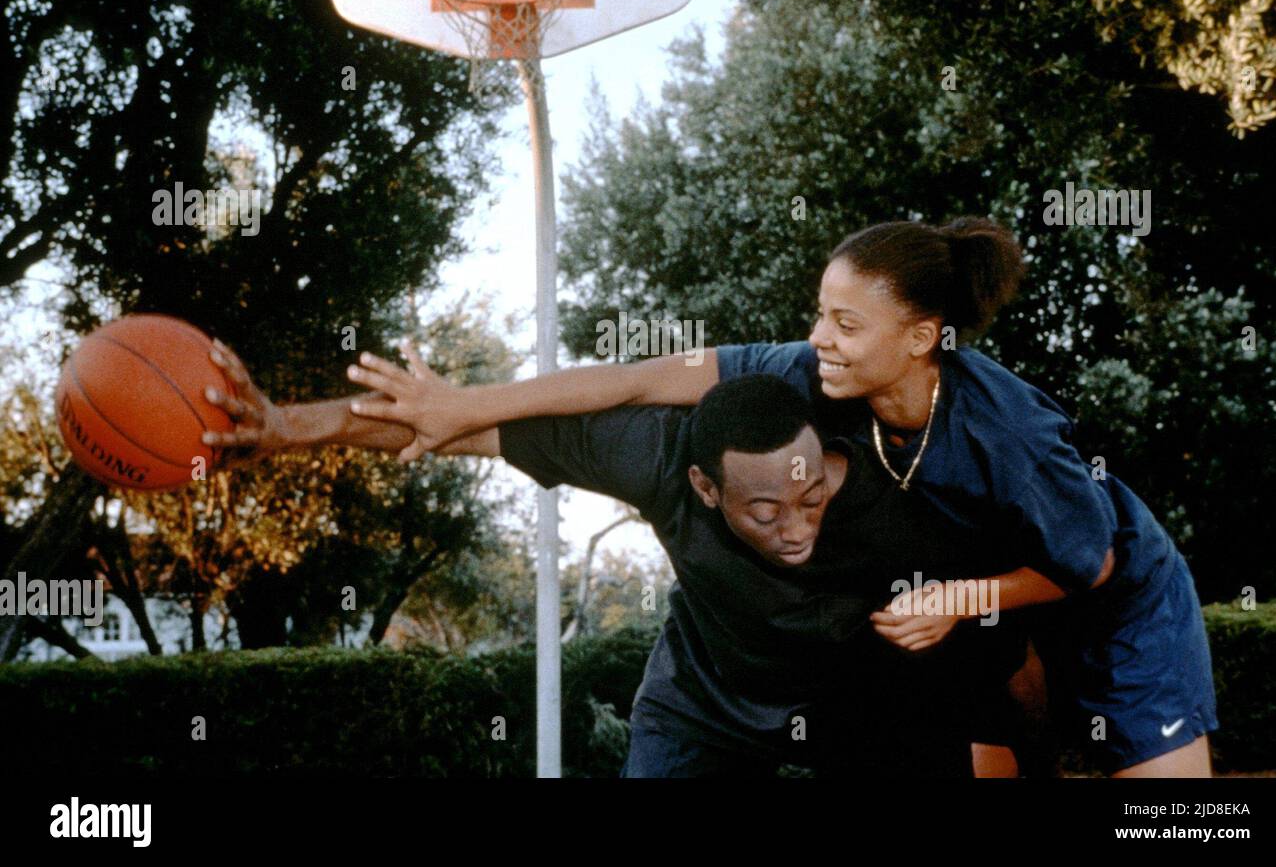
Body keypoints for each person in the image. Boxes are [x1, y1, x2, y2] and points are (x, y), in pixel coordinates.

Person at [335, 217, 1218, 778]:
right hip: (983, 604)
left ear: (920, 337)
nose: (817, 336)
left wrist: (958, 598)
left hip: (1108, 593)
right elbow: (638, 380)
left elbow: (1092, 562)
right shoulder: (810, 374)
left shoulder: (1009, 432)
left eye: (845, 323)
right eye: (820, 312)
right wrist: (468, 404)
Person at [202, 355, 1029, 777]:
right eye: (764, 511)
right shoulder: (654, 455)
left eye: (811, 497)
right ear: (704, 487)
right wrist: (287, 426)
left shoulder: (904, 499)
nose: (795, 529)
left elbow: (1009, 649)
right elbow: (453, 429)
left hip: (853, 700)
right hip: (703, 698)